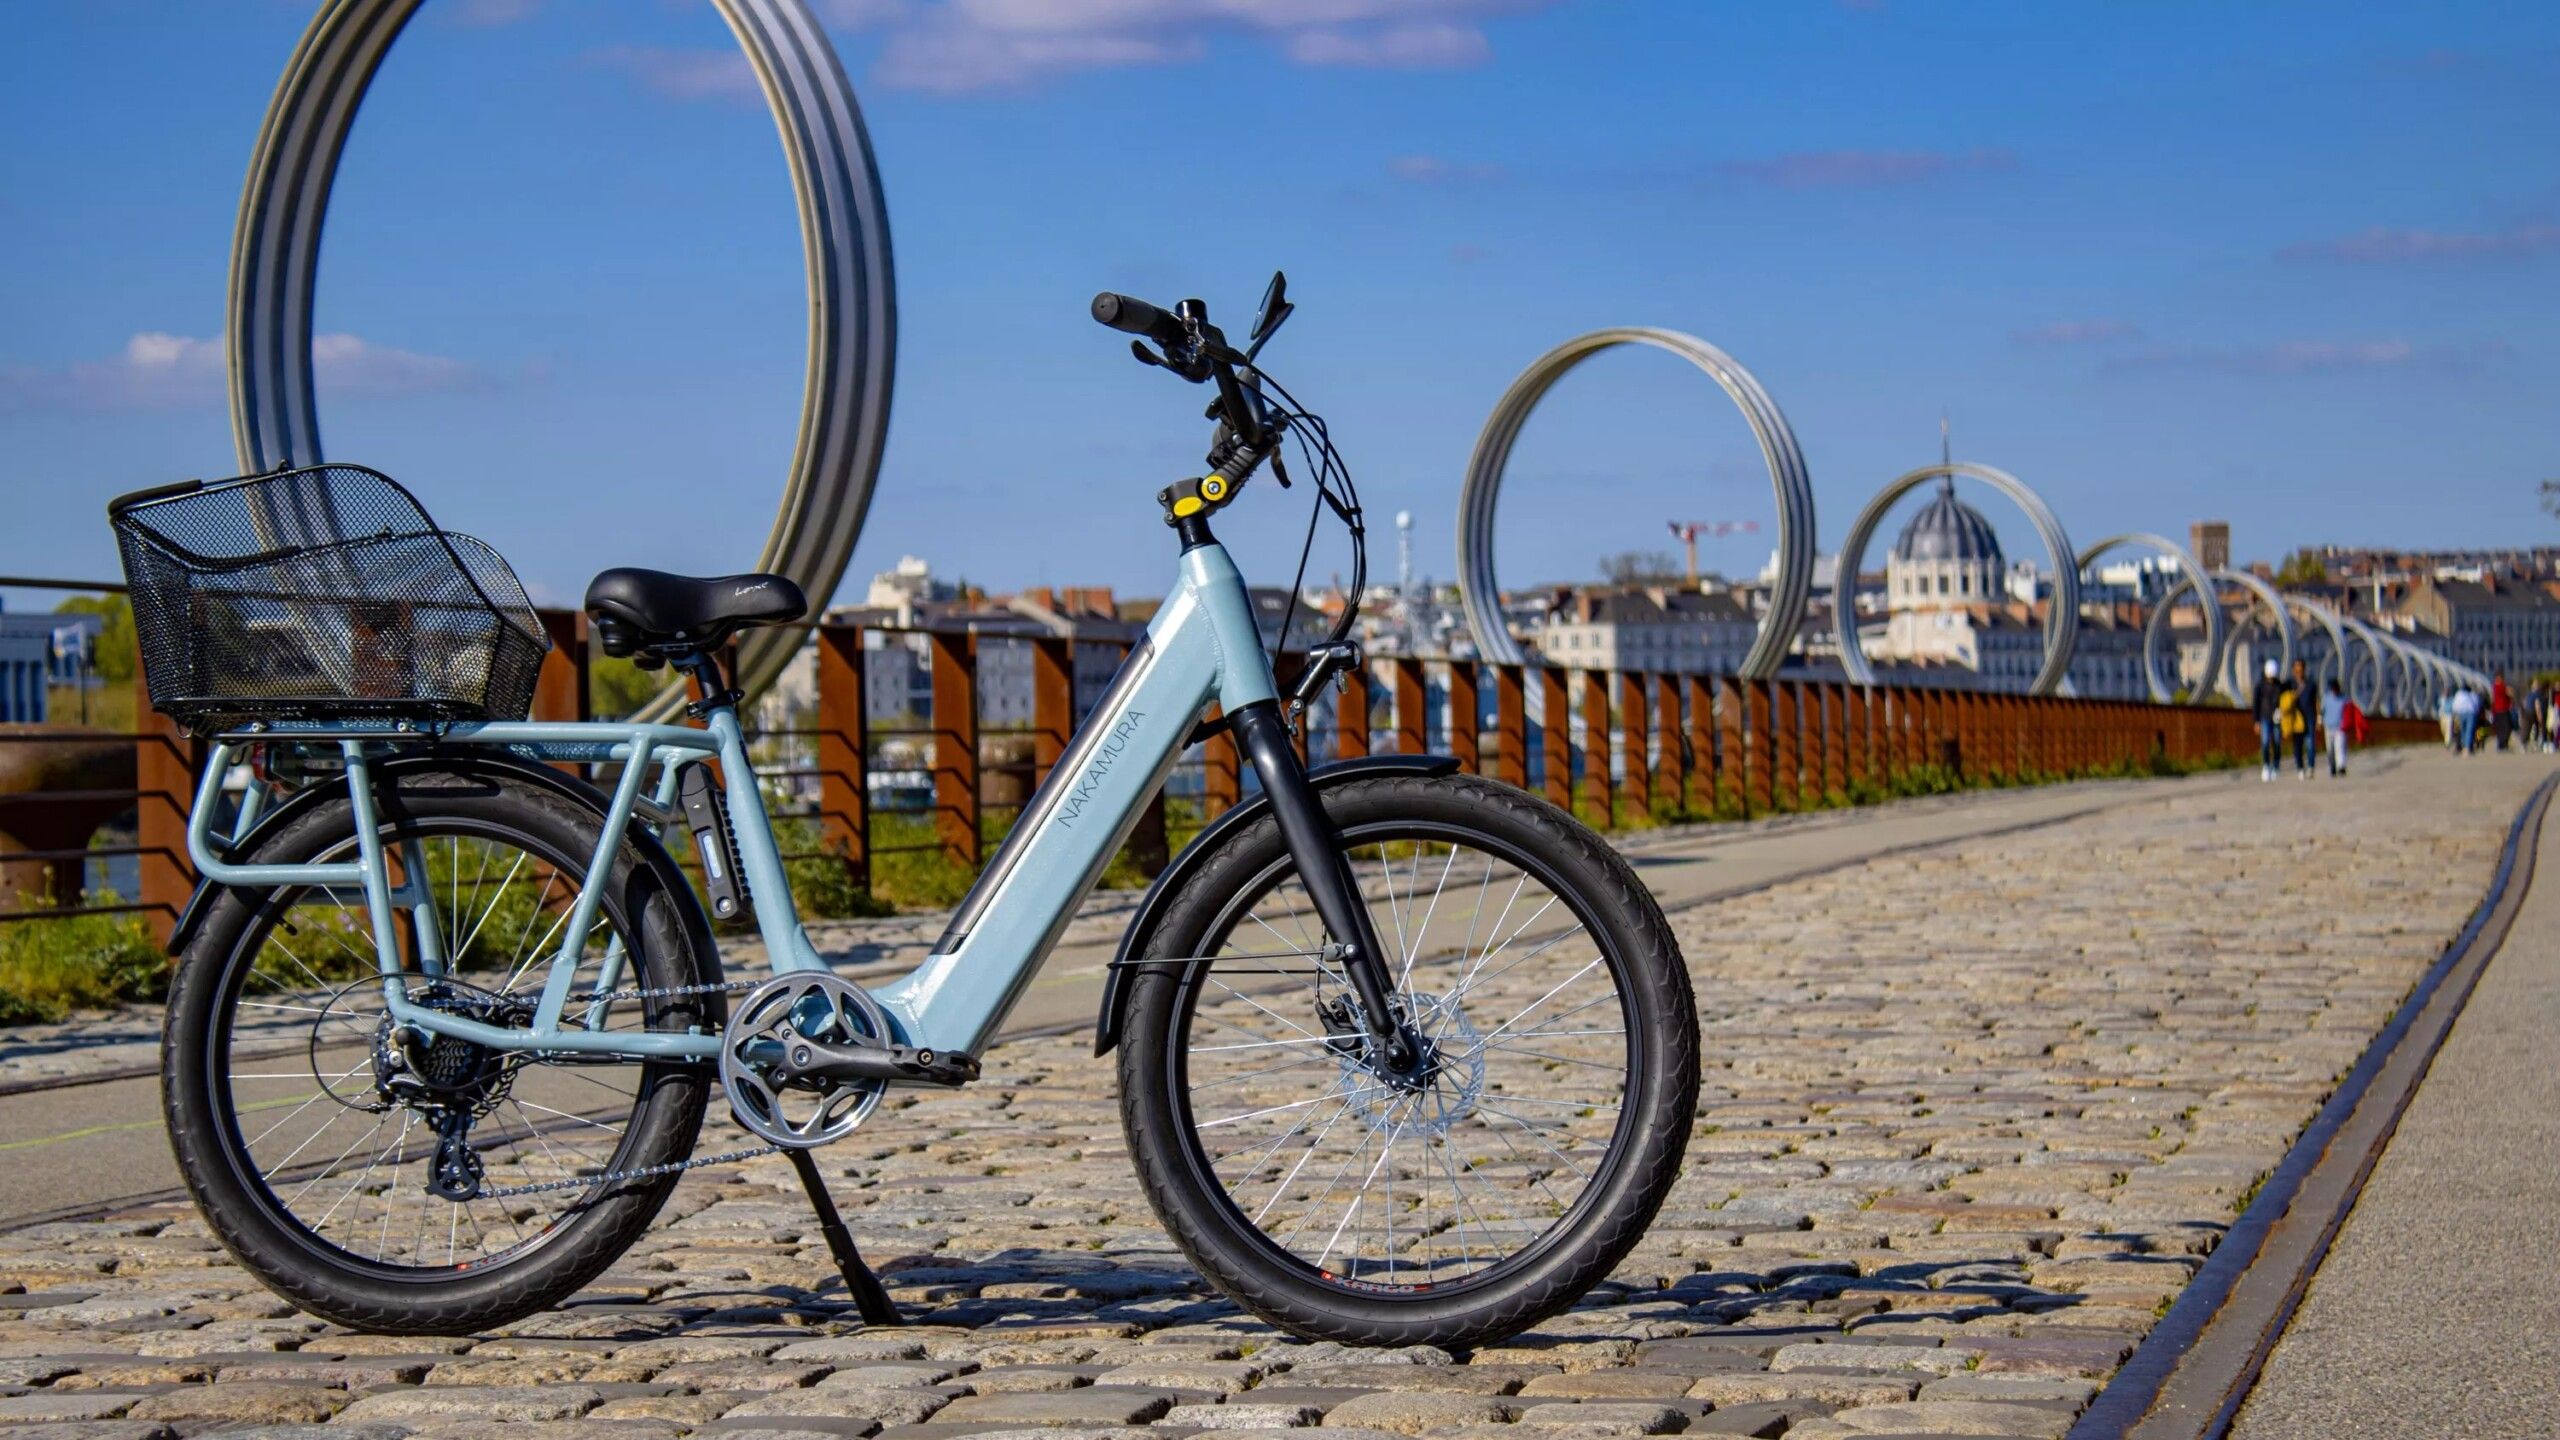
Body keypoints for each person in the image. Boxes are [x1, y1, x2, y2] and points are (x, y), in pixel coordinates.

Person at [2251, 659, 2285, 781]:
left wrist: (2281, 713)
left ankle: (2276, 766)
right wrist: (2256, 721)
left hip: (2277, 718)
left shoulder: (2280, 685)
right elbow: (2256, 703)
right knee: (2265, 743)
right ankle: (2266, 765)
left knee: (2276, 742)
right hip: (2264, 717)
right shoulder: (2260, 686)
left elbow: (2285, 701)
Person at [2287, 658, 2317, 777]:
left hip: (2309, 715)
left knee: (2310, 743)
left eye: (2301, 668)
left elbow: (2316, 700)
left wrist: (2318, 717)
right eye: (2296, 668)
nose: (2299, 671)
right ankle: (2300, 767)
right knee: (2298, 744)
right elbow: (2285, 700)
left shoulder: (2310, 684)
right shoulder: (2290, 684)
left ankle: (2310, 766)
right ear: (2293, 670)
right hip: (2295, 717)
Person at [2322, 681, 2350, 776]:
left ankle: (2341, 766)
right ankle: (2332, 766)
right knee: (2330, 749)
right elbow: (2322, 710)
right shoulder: (2326, 698)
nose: (2334, 691)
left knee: (2340, 747)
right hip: (2328, 727)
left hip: (2340, 727)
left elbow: (2348, 712)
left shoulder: (2344, 699)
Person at [2451, 684, 2481, 756]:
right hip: (2471, 713)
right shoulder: (2473, 695)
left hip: (2460, 713)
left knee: (2463, 730)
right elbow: (2477, 704)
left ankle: (2463, 746)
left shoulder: (2458, 695)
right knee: (2469, 731)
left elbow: (2455, 705)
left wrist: (2454, 714)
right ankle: (2467, 748)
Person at [2491, 671, 2515, 752]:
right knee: (2505, 727)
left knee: (2504, 728)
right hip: (2501, 710)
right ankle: (2502, 745)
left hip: (2502, 709)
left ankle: (2503, 744)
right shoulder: (2499, 686)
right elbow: (2510, 693)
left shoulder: (2498, 686)